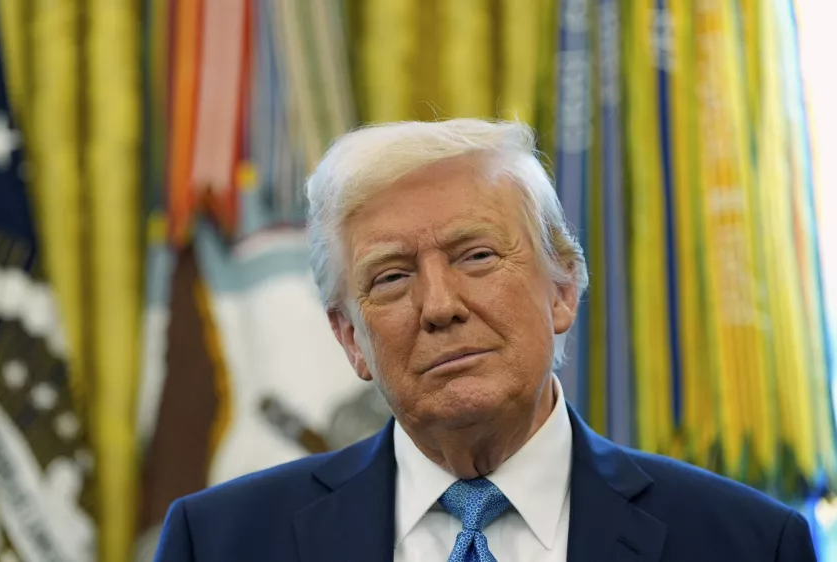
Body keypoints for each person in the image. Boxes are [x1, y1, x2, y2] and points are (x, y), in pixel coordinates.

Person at [153, 119, 817, 562]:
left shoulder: (747, 544)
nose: (440, 307)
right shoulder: (219, 543)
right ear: (350, 338)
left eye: (476, 257)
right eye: (392, 277)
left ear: (563, 290)